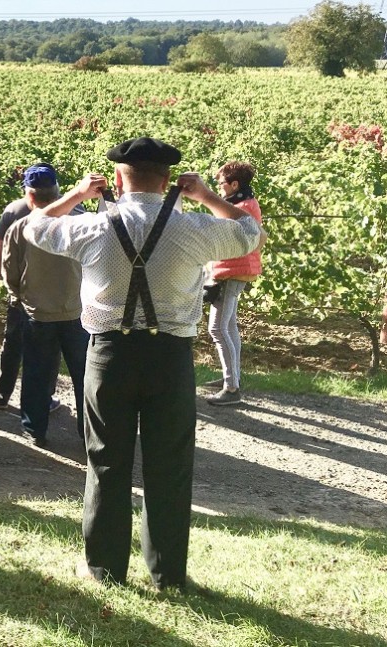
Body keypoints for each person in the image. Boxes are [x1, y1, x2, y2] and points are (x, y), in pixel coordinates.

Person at [23, 137, 263, 591]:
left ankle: (103, 569)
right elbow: (251, 232)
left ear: (116, 179)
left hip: (108, 355)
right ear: (170, 180)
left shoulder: (91, 226)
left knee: (106, 462)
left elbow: (34, 228)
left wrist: (76, 194)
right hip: (170, 358)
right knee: (169, 465)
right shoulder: (193, 227)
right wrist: (208, 197)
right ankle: (167, 574)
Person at [1, 164, 88, 448]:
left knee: (36, 373)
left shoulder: (20, 227)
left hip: (37, 312)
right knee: (85, 375)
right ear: (58, 192)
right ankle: (89, 430)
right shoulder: (83, 221)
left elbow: (9, 272)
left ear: (30, 196)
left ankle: (34, 429)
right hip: (79, 312)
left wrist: (20, 298)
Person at [0, 164, 64, 413]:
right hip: (59, 297)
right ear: (56, 188)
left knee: (13, 344)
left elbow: (0, 256)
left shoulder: (13, 210)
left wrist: (10, 287)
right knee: (51, 351)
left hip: (22, 295)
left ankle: (2, 394)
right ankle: (45, 398)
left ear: (29, 192)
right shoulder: (75, 210)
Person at [204, 161, 264, 406]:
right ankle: (232, 377)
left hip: (232, 272)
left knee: (217, 328)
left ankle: (231, 388)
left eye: (221, 185)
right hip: (234, 270)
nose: (219, 189)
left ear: (234, 184)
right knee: (229, 326)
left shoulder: (243, 207)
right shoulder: (244, 203)